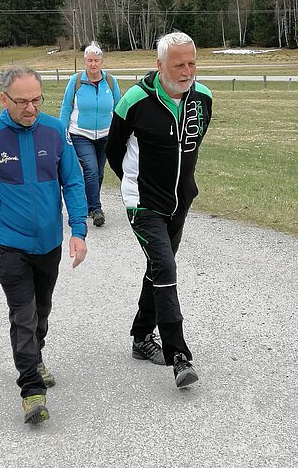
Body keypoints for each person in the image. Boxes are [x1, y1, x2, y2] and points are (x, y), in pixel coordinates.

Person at [0, 66, 87, 425]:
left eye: (36, 100)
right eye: (22, 102)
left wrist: (78, 230)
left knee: (42, 309)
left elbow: (73, 183)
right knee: (23, 313)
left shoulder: (55, 131)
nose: (30, 108)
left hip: (49, 242)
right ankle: (31, 389)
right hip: (10, 243)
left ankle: (36, 355)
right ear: (4, 99)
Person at [105, 32, 212, 388]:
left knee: (158, 269)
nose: (186, 71)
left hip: (181, 202)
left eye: (191, 63)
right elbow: (114, 151)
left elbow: (191, 150)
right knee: (165, 265)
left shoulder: (204, 98)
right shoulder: (134, 101)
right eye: (178, 64)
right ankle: (178, 354)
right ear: (160, 65)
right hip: (144, 203)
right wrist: (134, 186)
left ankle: (140, 338)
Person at [59, 41, 121, 227]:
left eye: (96, 60)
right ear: (84, 62)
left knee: (99, 172)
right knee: (91, 169)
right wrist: (62, 133)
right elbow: (66, 106)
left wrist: (122, 132)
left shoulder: (110, 81)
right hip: (80, 134)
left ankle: (88, 204)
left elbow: (119, 107)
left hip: (105, 134)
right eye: (89, 60)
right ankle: (96, 208)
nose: (93, 64)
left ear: (101, 62)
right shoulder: (76, 81)